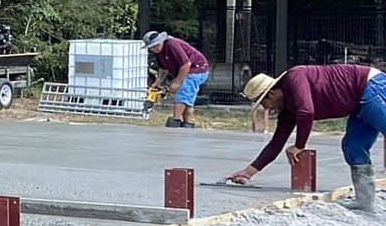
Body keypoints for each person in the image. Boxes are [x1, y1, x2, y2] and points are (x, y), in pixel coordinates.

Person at [228, 64, 385, 212]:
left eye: (263, 103)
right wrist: (248, 172)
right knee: (353, 147)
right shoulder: (288, 111)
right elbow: (276, 143)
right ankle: (365, 202)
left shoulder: (294, 77)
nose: (266, 108)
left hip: (371, 86)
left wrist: (299, 146)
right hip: (359, 104)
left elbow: (306, 112)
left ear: (272, 93)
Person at [145, 30, 210, 128]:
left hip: (197, 69)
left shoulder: (172, 45)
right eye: (152, 47)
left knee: (182, 92)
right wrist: (157, 82)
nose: (155, 48)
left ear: (161, 41)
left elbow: (186, 64)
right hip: (186, 70)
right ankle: (187, 124)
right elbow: (163, 69)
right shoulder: (158, 52)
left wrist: (177, 82)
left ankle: (175, 120)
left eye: (157, 45)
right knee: (187, 99)